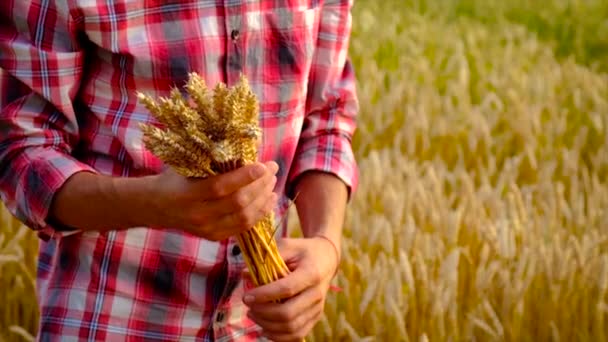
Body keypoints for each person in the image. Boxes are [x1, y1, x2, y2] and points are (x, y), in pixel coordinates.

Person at [0, 0, 358, 341]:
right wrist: (153, 205)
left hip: (260, 324)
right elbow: (23, 151)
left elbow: (326, 120)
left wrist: (325, 244)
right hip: (116, 320)